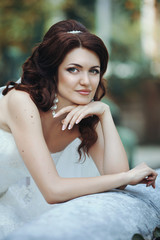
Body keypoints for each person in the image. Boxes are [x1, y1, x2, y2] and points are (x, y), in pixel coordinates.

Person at [0, 19, 158, 238]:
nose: (86, 81)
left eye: (94, 71)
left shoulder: (86, 115)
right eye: (73, 70)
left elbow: (115, 174)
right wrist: (127, 177)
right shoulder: (21, 101)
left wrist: (104, 113)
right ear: (52, 71)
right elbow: (52, 190)